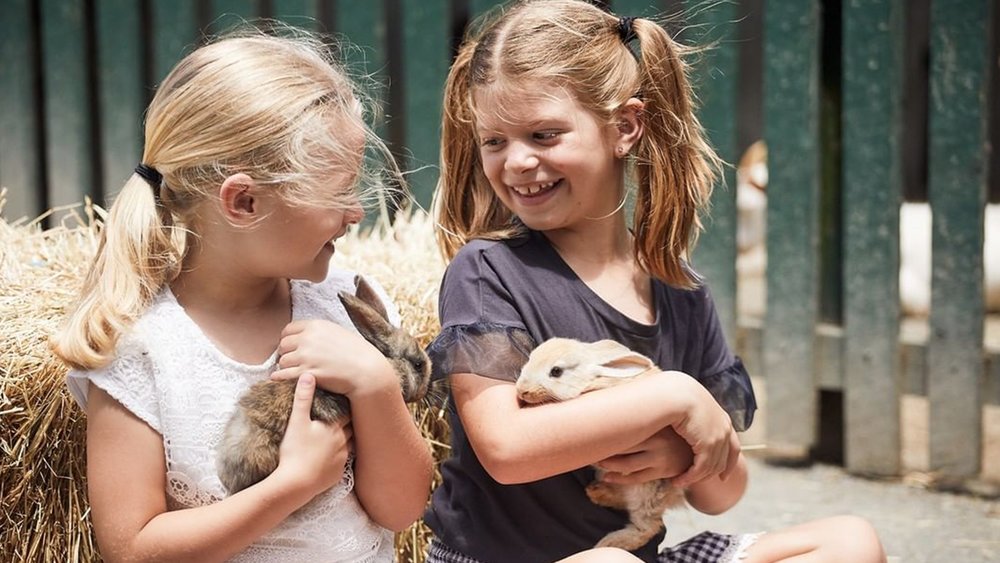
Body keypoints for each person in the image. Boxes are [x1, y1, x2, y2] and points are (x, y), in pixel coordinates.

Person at [423, 1, 887, 562]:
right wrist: (673, 395)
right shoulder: (487, 270)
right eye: (494, 141)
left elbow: (723, 492)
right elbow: (505, 449)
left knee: (849, 541)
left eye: (544, 135)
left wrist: (682, 451)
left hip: (636, 555)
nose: (516, 161)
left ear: (625, 128)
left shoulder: (680, 291)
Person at [51, 28, 433, 562]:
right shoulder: (142, 351)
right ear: (245, 202)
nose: (357, 211)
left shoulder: (349, 308)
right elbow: (132, 549)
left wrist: (375, 386)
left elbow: (403, 509)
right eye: (340, 190)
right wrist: (290, 486)